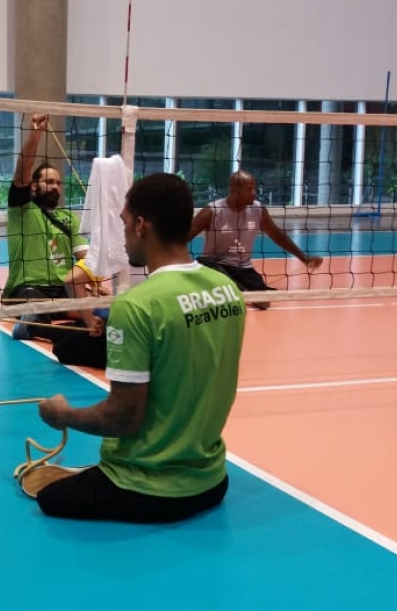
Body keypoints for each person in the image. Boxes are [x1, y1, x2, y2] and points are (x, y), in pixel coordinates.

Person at [33, 173, 246, 523]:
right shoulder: (228, 290)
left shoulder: (135, 306)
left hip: (148, 490)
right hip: (212, 481)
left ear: (143, 226)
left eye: (125, 223)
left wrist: (63, 414)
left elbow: (123, 417)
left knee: (48, 498)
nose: (125, 233)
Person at [4, 114, 99, 341]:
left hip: (62, 289)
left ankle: (40, 327)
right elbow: (22, 171)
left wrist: (91, 281)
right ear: (34, 186)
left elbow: (85, 256)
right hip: (29, 288)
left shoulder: (69, 218)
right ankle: (37, 324)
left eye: (58, 183)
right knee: (36, 307)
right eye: (49, 182)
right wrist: (36, 134)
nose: (55, 187)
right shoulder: (22, 209)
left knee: (96, 312)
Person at [189, 170, 323, 309]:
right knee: (205, 264)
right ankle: (234, 289)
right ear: (234, 190)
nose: (254, 193)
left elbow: (278, 236)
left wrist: (304, 258)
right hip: (216, 265)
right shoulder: (213, 210)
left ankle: (234, 289)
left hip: (243, 268)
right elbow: (184, 238)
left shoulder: (258, 210)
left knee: (263, 303)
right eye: (249, 189)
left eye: (254, 188)